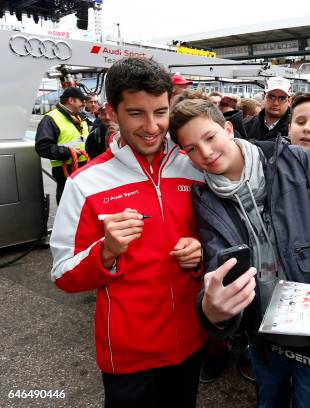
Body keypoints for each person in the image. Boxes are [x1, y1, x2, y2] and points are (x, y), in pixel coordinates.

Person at [169, 98, 310, 407]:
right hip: (262, 337)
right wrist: (215, 308)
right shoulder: (204, 198)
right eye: (191, 148)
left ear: (229, 128)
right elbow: (216, 262)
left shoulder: (293, 160)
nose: (205, 153)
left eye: (209, 137)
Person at [49, 58, 208, 408]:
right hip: (129, 354)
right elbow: (62, 274)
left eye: (161, 112)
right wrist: (105, 252)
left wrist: (201, 253)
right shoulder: (85, 183)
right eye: (136, 113)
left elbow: (219, 240)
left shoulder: (194, 166)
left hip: (192, 341)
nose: (152, 127)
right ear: (111, 112)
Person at [35, 86, 89, 203]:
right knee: (68, 205)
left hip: (84, 169)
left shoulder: (80, 117)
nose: (84, 104)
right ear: (71, 100)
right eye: (81, 100)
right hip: (65, 172)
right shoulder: (51, 119)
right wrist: (68, 152)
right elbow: (42, 147)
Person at [244, 77, 292, 141]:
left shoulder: (296, 128)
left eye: (282, 98)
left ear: (289, 101)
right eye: (271, 97)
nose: (276, 103)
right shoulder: (246, 125)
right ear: (264, 97)